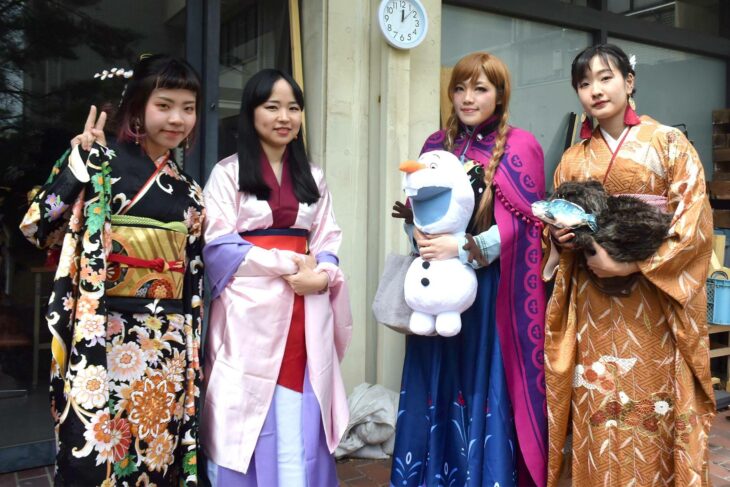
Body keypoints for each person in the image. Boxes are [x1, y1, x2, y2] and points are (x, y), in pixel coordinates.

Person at [19, 54, 205, 485]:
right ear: (138, 106)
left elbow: (192, 277)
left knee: (157, 451)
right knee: (95, 453)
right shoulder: (98, 163)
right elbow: (36, 228)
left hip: (167, 343)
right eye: (165, 104)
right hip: (104, 333)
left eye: (188, 107)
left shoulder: (190, 190)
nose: (177, 118)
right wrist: (76, 168)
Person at [544, 43, 715, 486]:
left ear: (629, 81)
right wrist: (558, 236)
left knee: (650, 407)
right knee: (598, 408)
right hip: (593, 308)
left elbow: (693, 222)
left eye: (605, 78)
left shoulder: (668, 143)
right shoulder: (572, 159)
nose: (595, 90)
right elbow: (557, 223)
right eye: (584, 83)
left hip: (652, 305)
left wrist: (631, 265)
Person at [390, 51, 548, 486]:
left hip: (487, 297)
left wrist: (462, 248)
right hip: (436, 289)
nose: (467, 97)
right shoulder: (433, 145)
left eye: (480, 88)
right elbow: (416, 214)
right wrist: (420, 239)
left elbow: (525, 228)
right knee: (433, 382)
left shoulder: (521, 147)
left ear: (500, 95)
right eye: (460, 88)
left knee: (479, 388)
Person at [201, 69, 351, 487]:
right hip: (248, 309)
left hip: (306, 305)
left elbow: (327, 237)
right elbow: (218, 245)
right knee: (247, 401)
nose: (284, 117)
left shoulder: (314, 177)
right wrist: (288, 265)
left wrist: (322, 275)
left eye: (293, 108)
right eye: (272, 107)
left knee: (303, 400)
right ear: (251, 114)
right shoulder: (227, 174)